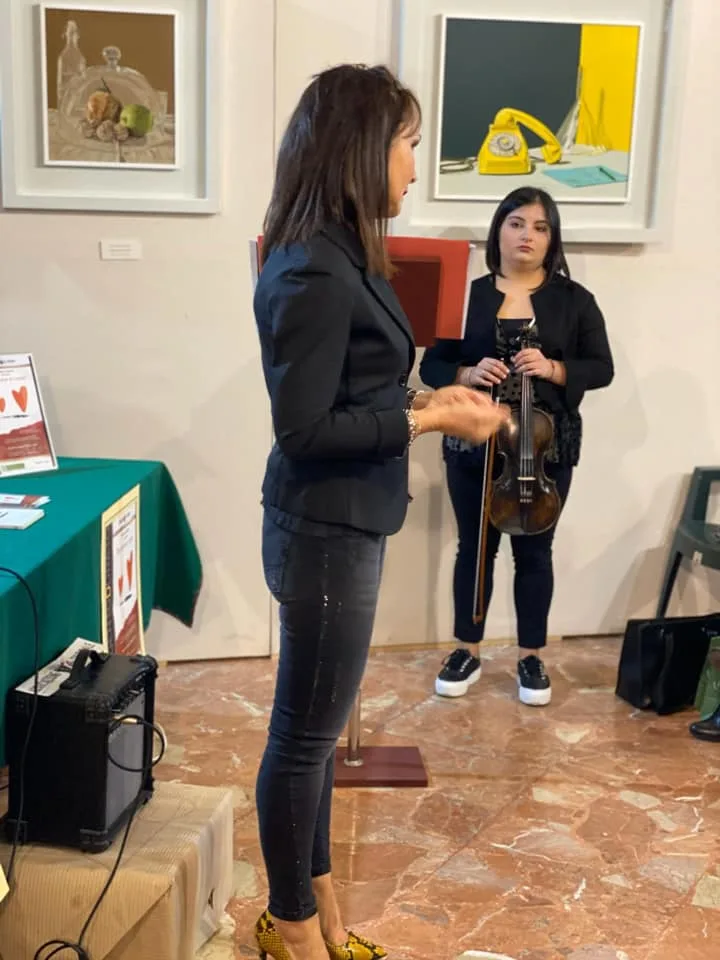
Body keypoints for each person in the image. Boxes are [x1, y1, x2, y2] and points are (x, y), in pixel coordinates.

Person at [252, 64, 508, 960]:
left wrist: (433, 395)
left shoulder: (338, 251)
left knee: (318, 737)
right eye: (407, 145)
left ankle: (319, 908)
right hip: (324, 528)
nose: (414, 165)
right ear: (361, 149)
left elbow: (354, 387)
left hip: (344, 523)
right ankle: (291, 928)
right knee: (302, 740)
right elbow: (305, 429)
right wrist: (430, 419)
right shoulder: (313, 268)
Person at [420, 187, 614, 707]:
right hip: (475, 443)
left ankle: (531, 656)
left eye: (540, 227)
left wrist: (553, 368)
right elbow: (432, 365)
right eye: (517, 223)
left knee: (534, 549)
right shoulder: (468, 296)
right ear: (498, 230)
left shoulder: (575, 300)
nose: (528, 235)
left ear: (552, 239)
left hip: (546, 447)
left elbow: (602, 367)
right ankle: (467, 649)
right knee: (474, 547)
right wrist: (467, 371)